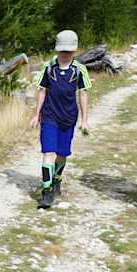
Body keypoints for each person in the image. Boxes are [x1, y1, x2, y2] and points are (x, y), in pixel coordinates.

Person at [30, 29, 91, 209]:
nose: (65, 55)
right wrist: (36, 114)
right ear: (57, 50)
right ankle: (46, 191)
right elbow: (42, 91)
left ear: (74, 51)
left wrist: (85, 119)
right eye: (62, 51)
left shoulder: (79, 69)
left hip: (69, 116)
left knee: (62, 154)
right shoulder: (49, 68)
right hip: (49, 115)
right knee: (48, 152)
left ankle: (56, 179)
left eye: (69, 52)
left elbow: (83, 93)